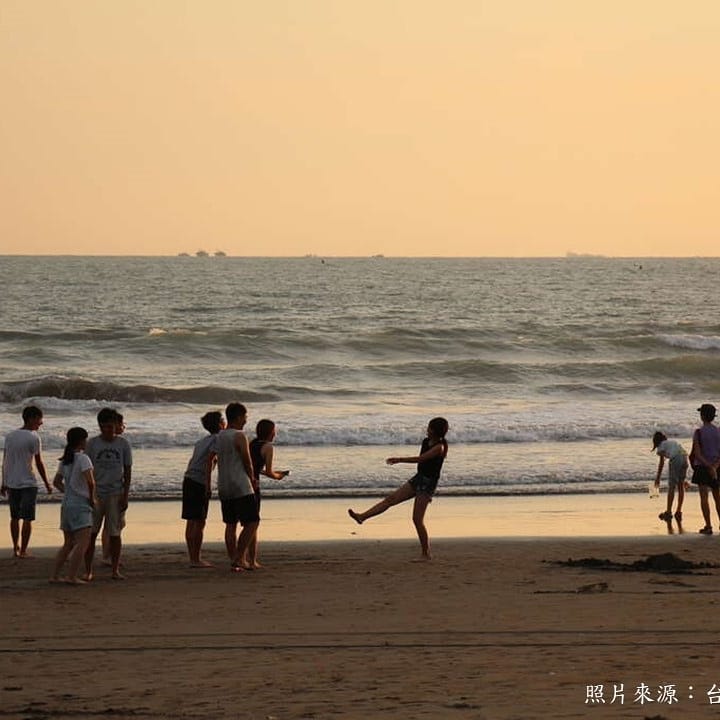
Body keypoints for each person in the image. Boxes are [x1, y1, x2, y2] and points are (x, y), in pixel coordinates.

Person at [348, 417, 449, 559]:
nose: (427, 430)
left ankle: (426, 553)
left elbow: (420, 459)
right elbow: (421, 464)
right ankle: (362, 517)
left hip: (428, 484)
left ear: (435, 431)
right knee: (390, 500)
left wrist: (399, 459)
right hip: (419, 478)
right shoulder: (426, 442)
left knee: (417, 519)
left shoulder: (439, 447)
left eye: (429, 428)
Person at [84, 407, 132, 579]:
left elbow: (127, 470)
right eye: (105, 427)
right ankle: (88, 570)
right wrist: (88, 495)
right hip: (97, 494)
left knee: (115, 533)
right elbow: (86, 470)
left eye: (111, 427)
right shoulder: (92, 444)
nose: (108, 431)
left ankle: (115, 569)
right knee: (91, 533)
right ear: (100, 426)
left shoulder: (123, 444)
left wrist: (125, 495)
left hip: (115, 493)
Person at [1, 405, 52, 557]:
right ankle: (23, 550)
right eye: (39, 419)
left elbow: (5, 461)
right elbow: (39, 462)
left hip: (12, 482)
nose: (41, 423)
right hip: (28, 482)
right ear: (31, 419)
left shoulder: (10, 436)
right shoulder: (34, 437)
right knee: (28, 518)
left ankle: (15, 547)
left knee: (14, 517)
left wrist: (3, 482)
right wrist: (47, 483)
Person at [216, 403, 258, 572]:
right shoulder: (239, 436)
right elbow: (247, 461)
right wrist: (253, 478)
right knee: (252, 521)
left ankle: (234, 558)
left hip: (224, 484)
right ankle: (240, 557)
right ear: (239, 417)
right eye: (245, 416)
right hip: (240, 484)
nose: (246, 419)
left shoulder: (220, 436)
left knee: (230, 523)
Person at [50, 427, 96, 584]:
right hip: (80, 505)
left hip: (67, 504)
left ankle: (55, 575)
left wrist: (68, 491)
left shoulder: (66, 460)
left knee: (68, 543)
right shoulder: (83, 459)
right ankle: (72, 576)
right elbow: (91, 482)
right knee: (83, 542)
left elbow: (56, 482)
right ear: (81, 441)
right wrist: (92, 499)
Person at [245, 419, 290, 569]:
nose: (275, 433)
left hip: (243, 483)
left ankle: (249, 560)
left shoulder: (252, 444)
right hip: (254, 486)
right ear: (271, 432)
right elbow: (270, 472)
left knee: (248, 522)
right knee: (253, 523)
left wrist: (272, 473)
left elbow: (254, 467)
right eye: (274, 430)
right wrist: (279, 476)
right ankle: (249, 560)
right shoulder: (268, 447)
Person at [182, 411, 225, 567]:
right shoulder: (218, 439)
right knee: (199, 521)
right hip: (199, 481)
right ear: (220, 424)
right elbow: (210, 460)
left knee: (190, 520)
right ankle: (196, 559)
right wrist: (208, 484)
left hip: (188, 479)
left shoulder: (201, 441)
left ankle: (192, 556)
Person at [690, 403, 720, 535]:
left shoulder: (698, 432)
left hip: (702, 468)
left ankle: (708, 526)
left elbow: (697, 453)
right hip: (717, 467)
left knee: (704, 497)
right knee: (717, 497)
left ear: (702, 416)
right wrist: (714, 466)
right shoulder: (719, 431)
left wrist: (708, 466)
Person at [101, 412, 126, 566]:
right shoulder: (114, 444)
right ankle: (107, 554)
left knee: (116, 524)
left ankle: (108, 553)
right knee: (113, 525)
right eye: (121, 424)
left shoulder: (121, 443)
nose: (123, 427)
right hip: (111, 490)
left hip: (117, 488)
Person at [651, 431, 689, 522]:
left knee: (671, 487)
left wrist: (657, 478)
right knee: (680, 485)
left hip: (675, 458)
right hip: (684, 457)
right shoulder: (671, 442)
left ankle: (668, 512)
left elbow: (661, 463)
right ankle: (679, 511)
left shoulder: (661, 447)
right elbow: (681, 453)